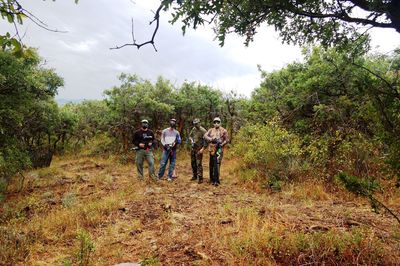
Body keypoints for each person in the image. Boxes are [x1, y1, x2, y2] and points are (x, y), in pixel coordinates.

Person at [204, 117, 229, 186]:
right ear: (213, 123)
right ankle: (211, 179)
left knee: (217, 164)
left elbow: (227, 140)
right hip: (212, 149)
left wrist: (222, 143)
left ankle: (216, 180)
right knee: (211, 164)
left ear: (220, 123)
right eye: (215, 122)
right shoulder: (211, 130)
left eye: (218, 122)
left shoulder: (224, 130)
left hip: (219, 149)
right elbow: (205, 135)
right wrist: (211, 139)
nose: (216, 123)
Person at [189, 118, 207, 183]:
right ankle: (194, 176)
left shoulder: (203, 130)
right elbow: (190, 136)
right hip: (193, 148)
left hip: (199, 149)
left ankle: (200, 178)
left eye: (197, 124)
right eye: (194, 124)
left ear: (199, 123)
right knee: (193, 162)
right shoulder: (193, 129)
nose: (196, 125)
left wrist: (203, 148)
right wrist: (191, 140)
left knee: (198, 163)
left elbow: (206, 141)